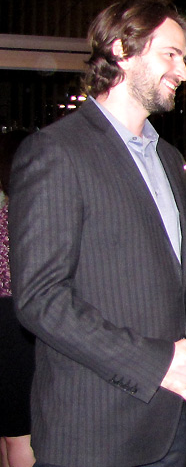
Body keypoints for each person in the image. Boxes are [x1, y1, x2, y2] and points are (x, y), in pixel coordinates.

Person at [8, 0, 186, 467]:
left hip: (170, 422)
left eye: (185, 59)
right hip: (94, 431)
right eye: (171, 54)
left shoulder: (169, 159)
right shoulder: (55, 152)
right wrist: (159, 365)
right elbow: (41, 300)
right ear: (120, 50)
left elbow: (183, 276)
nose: (184, 72)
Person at [0, 130, 35, 467]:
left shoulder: (7, 211)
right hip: (17, 323)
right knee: (22, 431)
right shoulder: (28, 214)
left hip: (7, 319)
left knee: (8, 429)